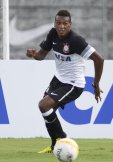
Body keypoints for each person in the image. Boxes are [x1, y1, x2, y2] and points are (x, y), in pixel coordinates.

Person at [26, 9, 104, 153]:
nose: (61, 26)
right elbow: (41, 55)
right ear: (55, 23)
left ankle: (64, 139)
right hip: (58, 79)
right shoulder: (53, 34)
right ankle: (54, 146)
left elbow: (99, 59)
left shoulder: (76, 40)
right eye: (58, 23)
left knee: (43, 105)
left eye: (65, 23)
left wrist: (96, 84)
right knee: (48, 112)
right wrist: (33, 55)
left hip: (73, 84)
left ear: (70, 25)